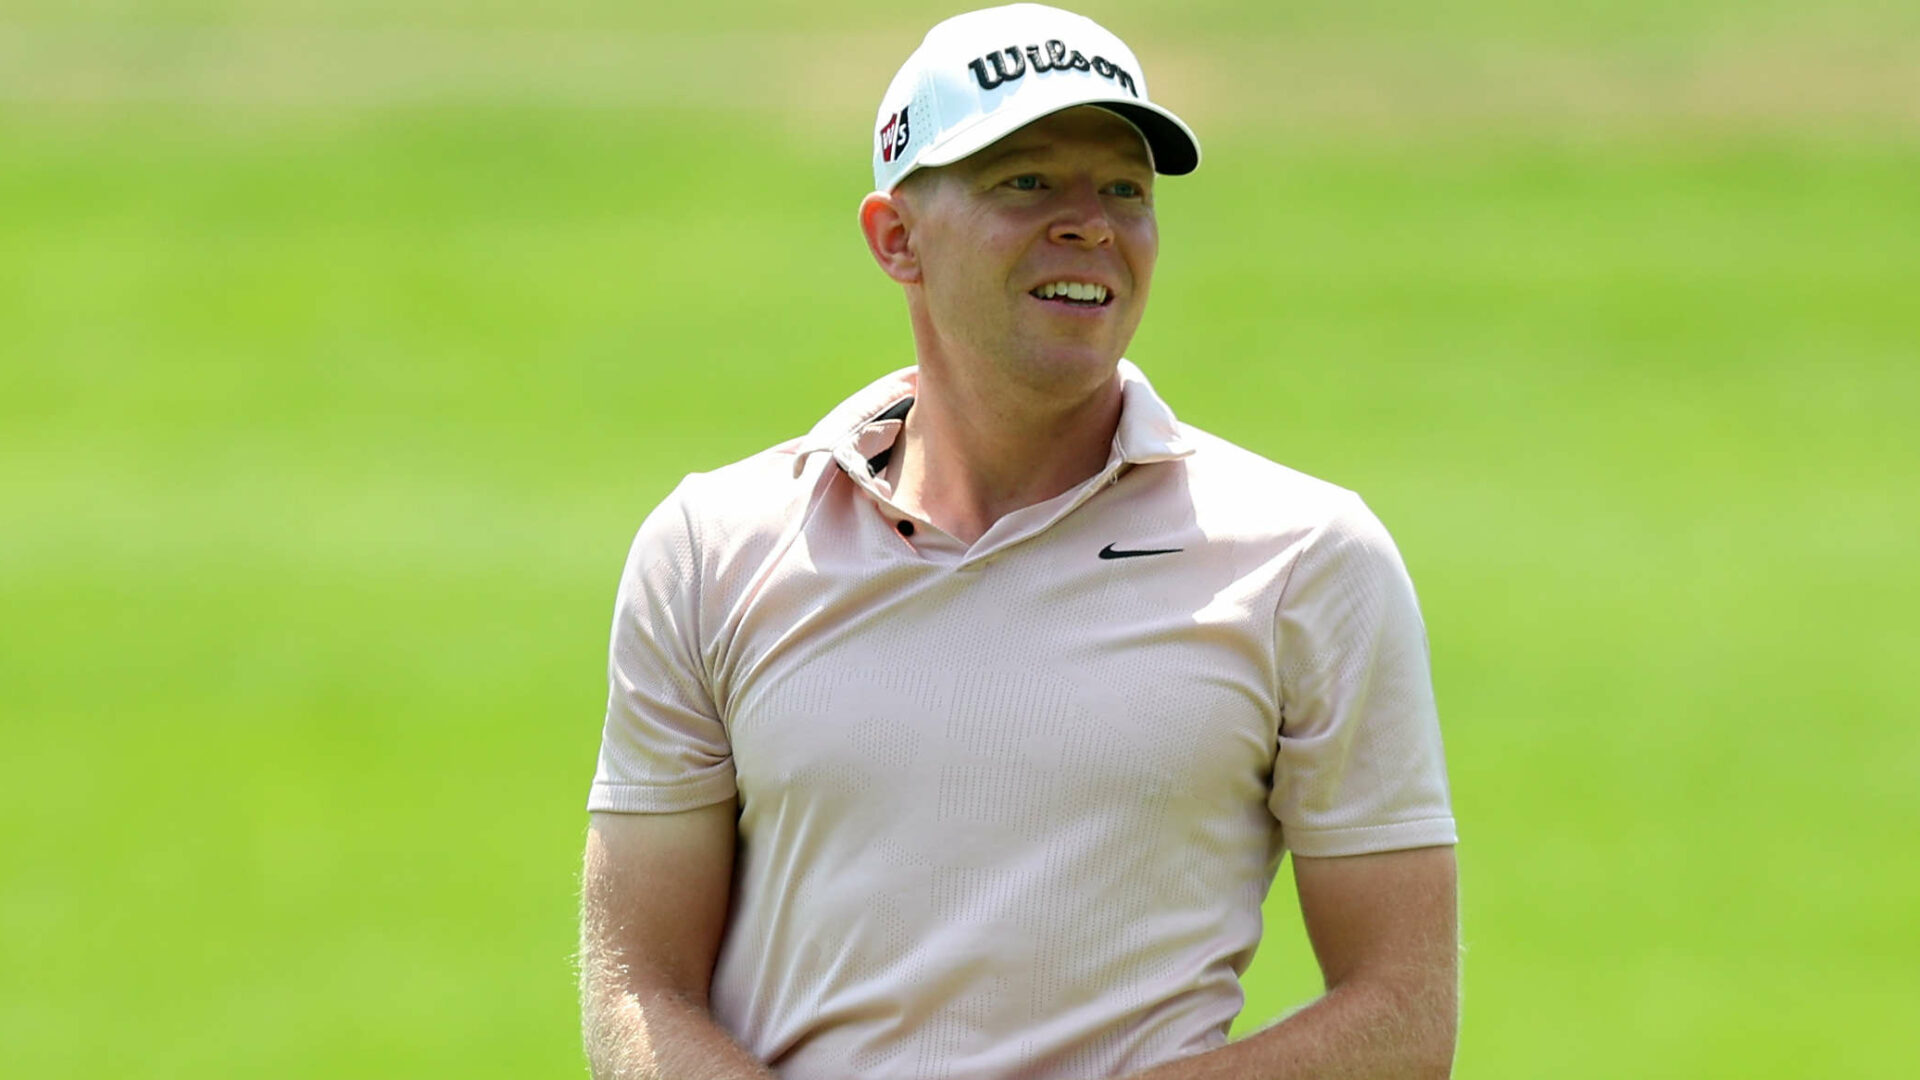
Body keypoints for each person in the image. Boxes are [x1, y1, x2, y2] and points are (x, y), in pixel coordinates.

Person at [578, 4, 1459, 1078]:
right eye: (1028, 182)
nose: (1091, 223)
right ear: (896, 238)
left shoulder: (1307, 560)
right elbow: (638, 989)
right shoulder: (713, 549)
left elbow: (1404, 1013)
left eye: (1125, 189)